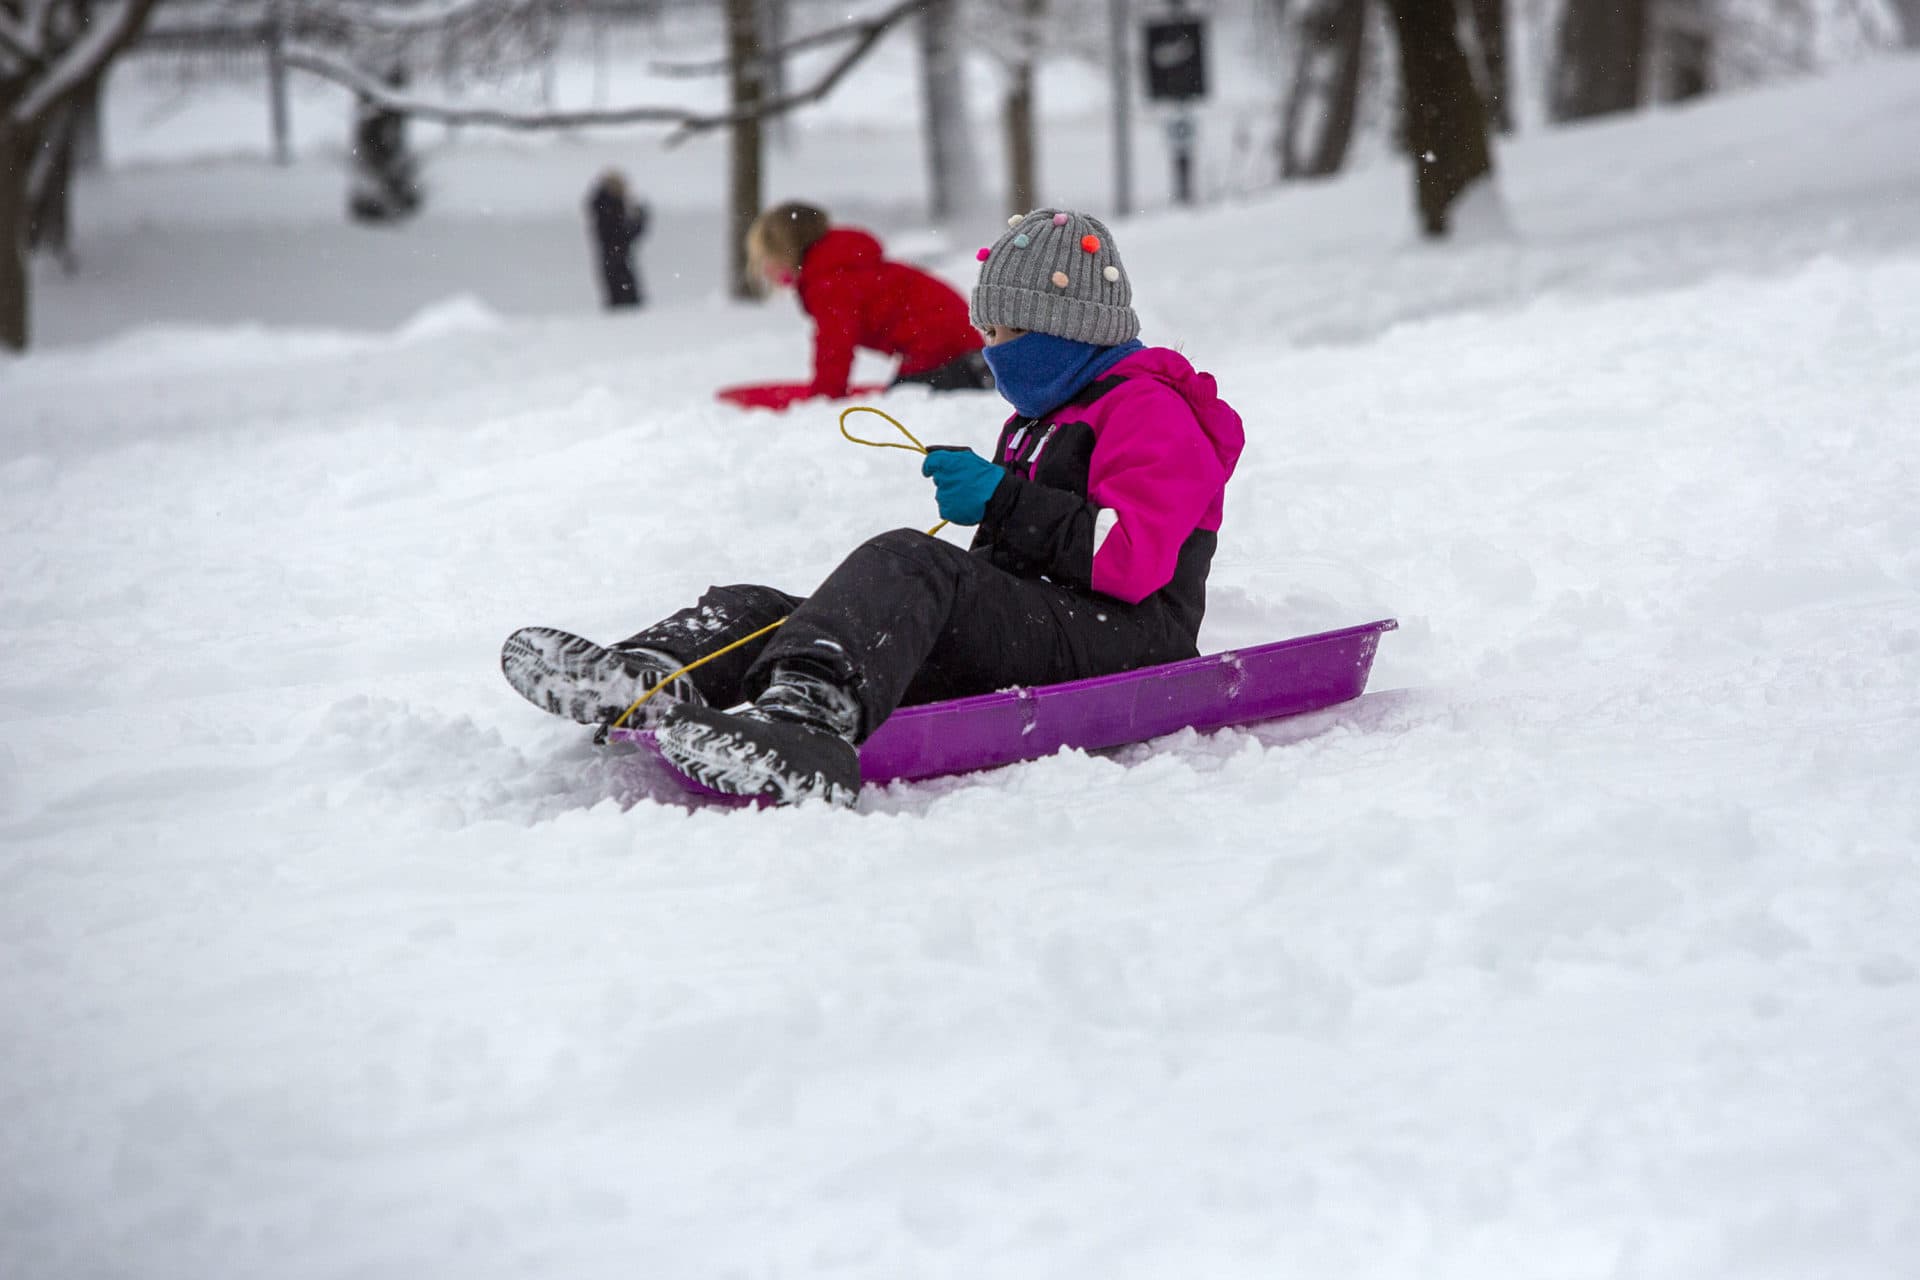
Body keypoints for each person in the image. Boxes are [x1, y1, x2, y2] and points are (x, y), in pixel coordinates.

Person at [502, 208, 1244, 807]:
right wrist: (995, 502)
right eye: (985, 335)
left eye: (1005, 335)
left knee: (907, 562)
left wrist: (1002, 499)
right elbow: (1023, 555)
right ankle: (655, 675)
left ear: (1064, 328)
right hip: (1055, 621)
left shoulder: (1149, 409)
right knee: (787, 606)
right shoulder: (1044, 415)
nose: (990, 354)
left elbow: (1130, 560)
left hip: (1129, 636)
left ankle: (806, 725)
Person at [746, 201, 994, 397]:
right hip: (956, 341)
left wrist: (824, 398)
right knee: (903, 394)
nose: (765, 269)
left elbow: (835, 346)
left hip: (938, 346)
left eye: (766, 259)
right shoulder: (838, 264)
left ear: (784, 251)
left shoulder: (829, 280)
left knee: (902, 403)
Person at [587, 170, 649, 309]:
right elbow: (622, 235)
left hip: (614, 260)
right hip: (617, 261)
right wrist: (640, 221)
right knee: (625, 301)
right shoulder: (609, 208)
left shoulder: (604, 207)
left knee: (621, 300)